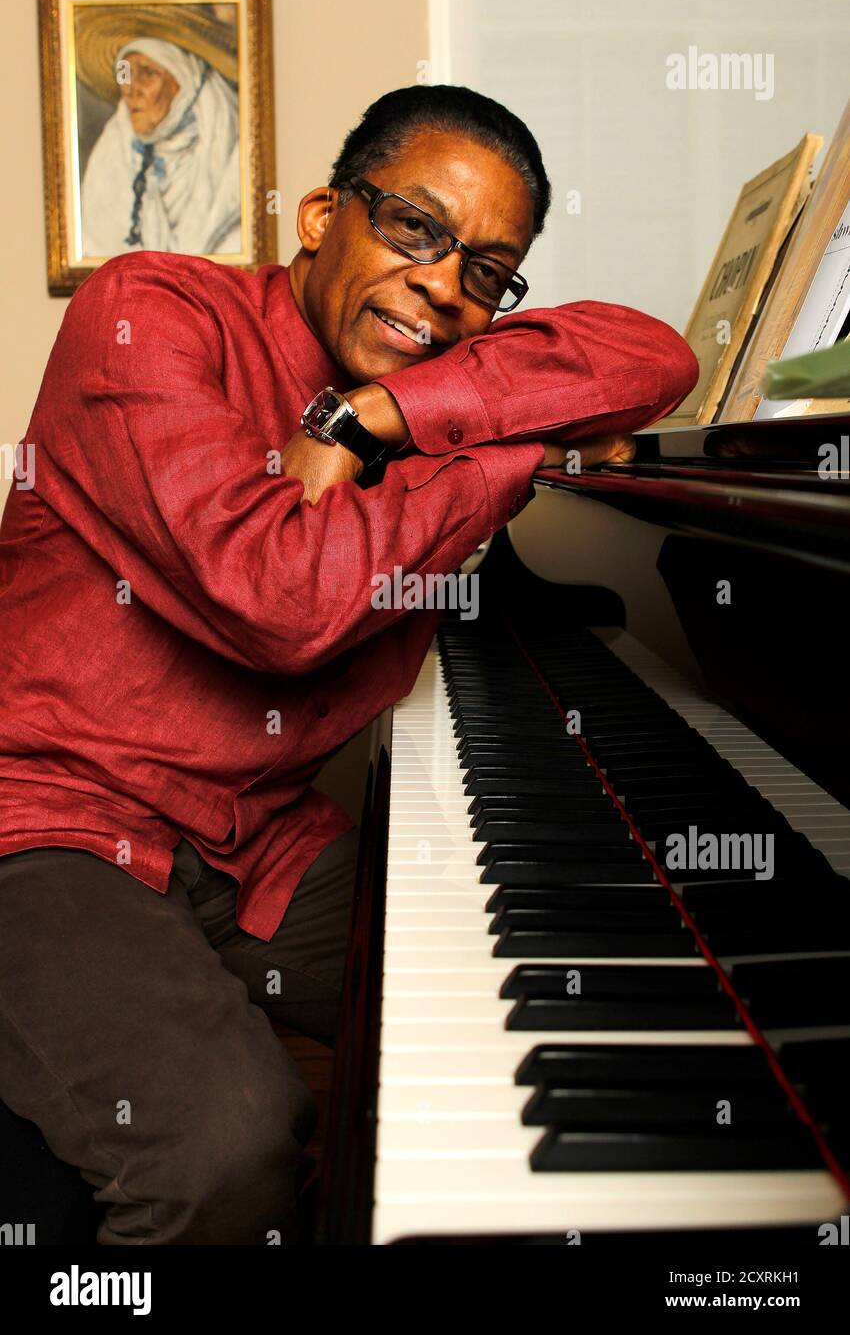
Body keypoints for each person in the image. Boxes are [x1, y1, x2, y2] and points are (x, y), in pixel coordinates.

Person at [0, 84, 697, 1244]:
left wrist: (376, 416)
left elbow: (653, 352)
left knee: (550, 990)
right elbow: (282, 599)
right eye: (416, 229)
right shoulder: (147, 309)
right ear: (322, 214)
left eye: (487, 270)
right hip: (50, 818)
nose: (444, 283)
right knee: (225, 1150)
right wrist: (508, 449)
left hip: (253, 830)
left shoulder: (407, 392)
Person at [81, 35, 241, 256]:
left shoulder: (230, 159)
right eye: (126, 75)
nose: (130, 90)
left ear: (184, 83)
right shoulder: (112, 158)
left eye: (148, 74)